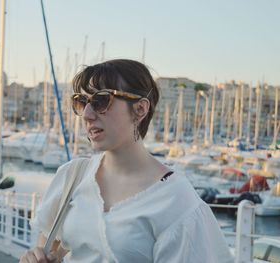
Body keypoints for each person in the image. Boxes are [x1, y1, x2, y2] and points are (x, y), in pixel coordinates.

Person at [19, 59, 233, 263]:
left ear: (140, 109)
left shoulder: (176, 200)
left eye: (100, 100)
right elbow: (48, 249)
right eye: (81, 102)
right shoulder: (73, 176)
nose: (87, 114)